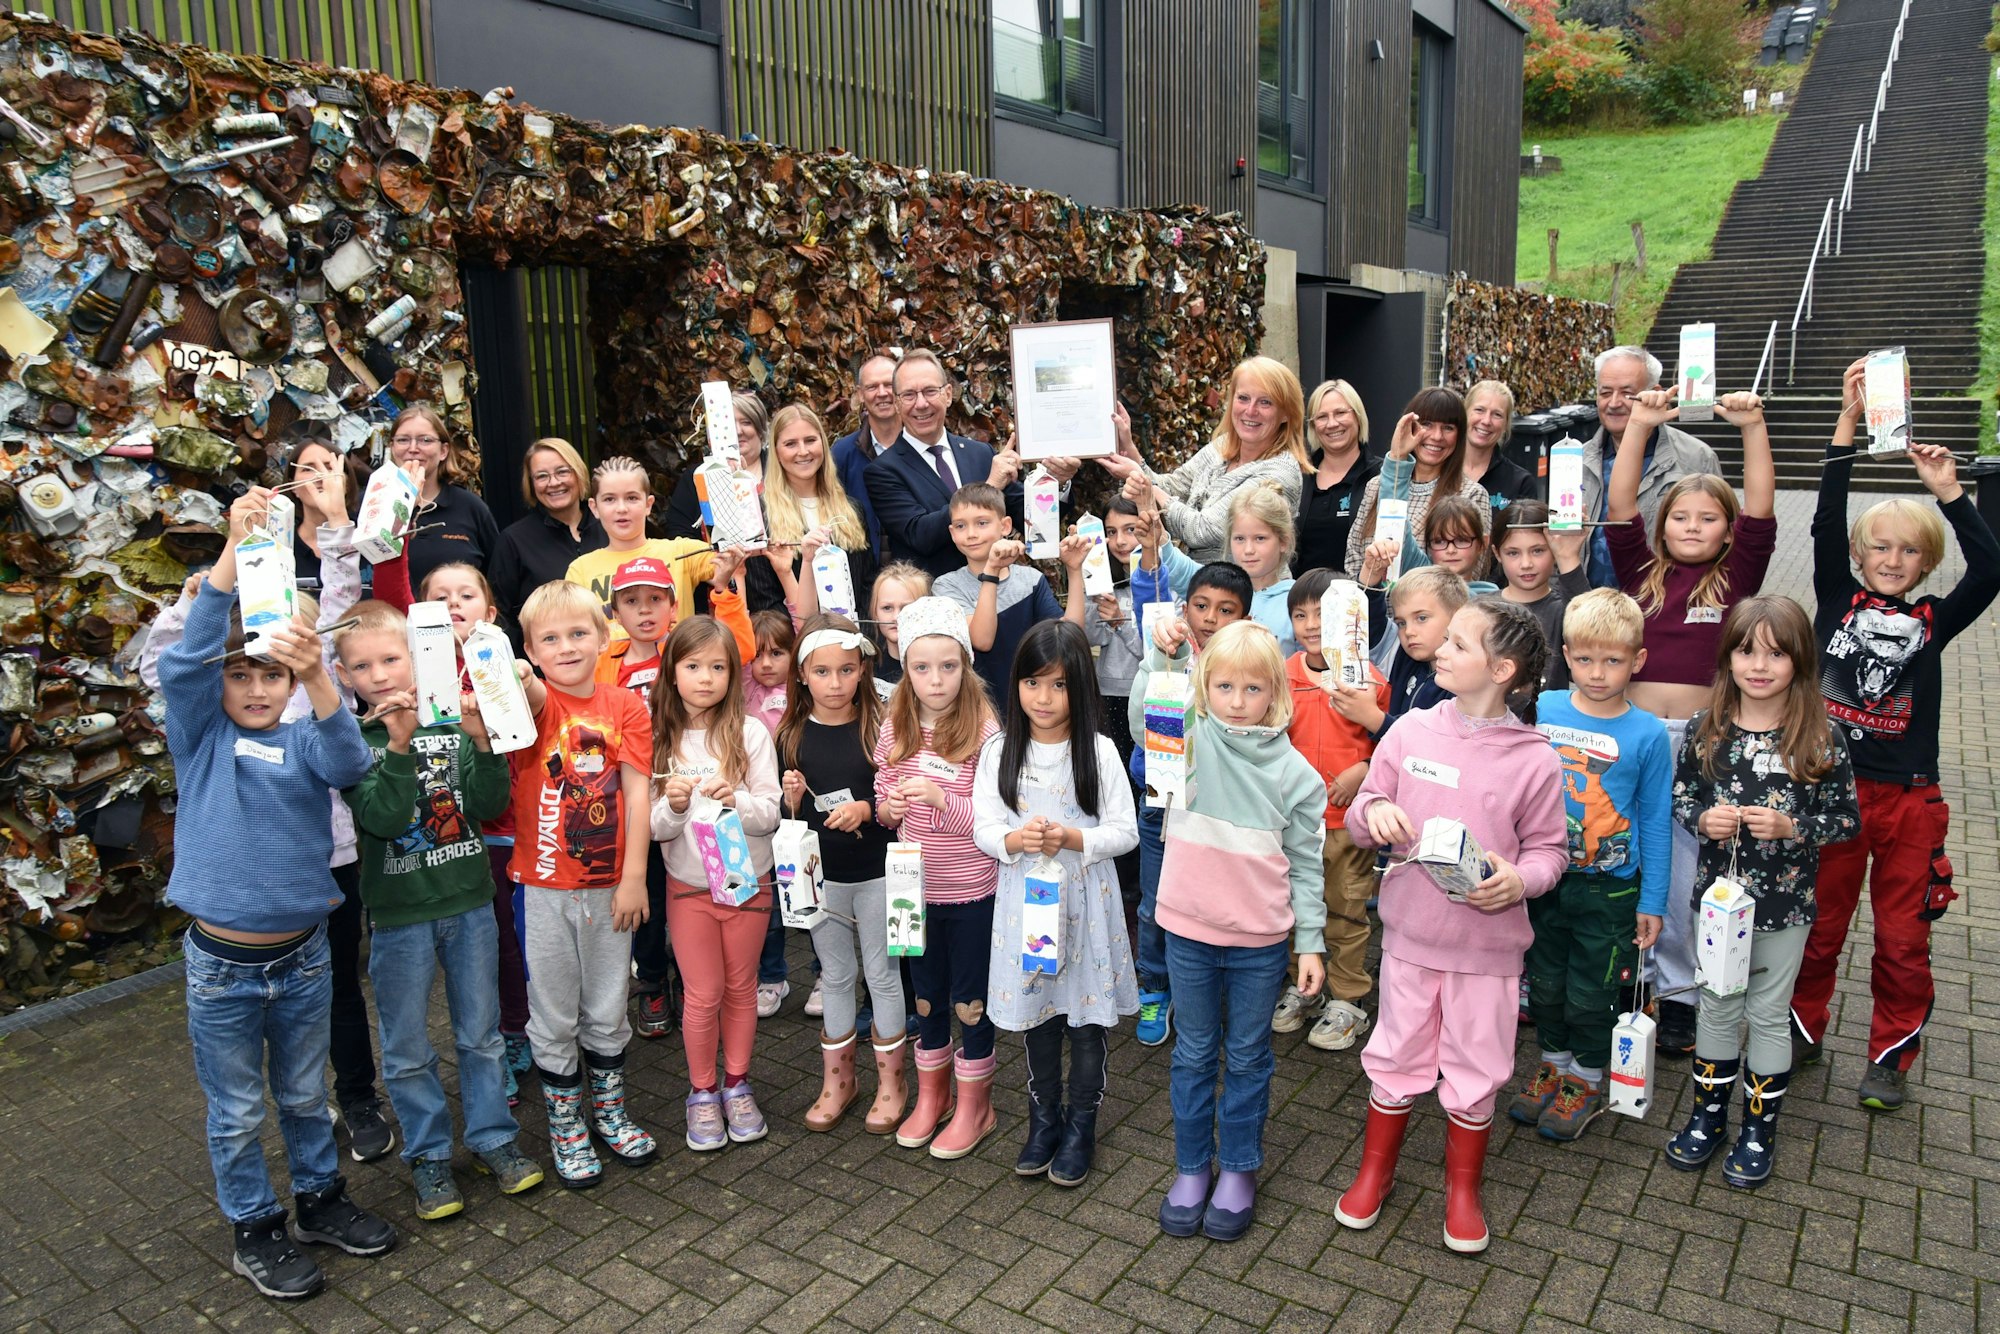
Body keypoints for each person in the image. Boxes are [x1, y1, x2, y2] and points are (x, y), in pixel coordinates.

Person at [159, 489, 394, 1300]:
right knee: (234, 1111)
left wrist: (316, 672)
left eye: (270, 674)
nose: (256, 689)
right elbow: (185, 661)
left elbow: (351, 764)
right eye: (240, 675)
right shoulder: (200, 738)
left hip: (302, 960)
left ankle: (320, 1201)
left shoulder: (303, 738)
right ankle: (254, 1228)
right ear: (219, 685)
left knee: (301, 1094)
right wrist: (233, 550)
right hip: (222, 967)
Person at [1791, 359, 2000, 1112]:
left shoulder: (1934, 622)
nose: (1892, 559)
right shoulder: (1835, 599)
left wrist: (1948, 491)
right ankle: (1801, 1029)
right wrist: (1846, 425)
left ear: (1926, 562)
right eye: (1879, 547)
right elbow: (1824, 518)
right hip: (1832, 794)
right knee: (1820, 927)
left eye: (1908, 550)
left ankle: (1889, 1056)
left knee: (1904, 939)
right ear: (1858, 555)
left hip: (1910, 803)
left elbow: (1992, 567)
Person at [1337, 597, 1567, 1254]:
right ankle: (1375, 1172)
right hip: (1411, 941)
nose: (1440, 649)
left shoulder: (1535, 758)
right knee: (1395, 1056)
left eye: (1459, 644)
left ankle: (1462, 1190)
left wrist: (1520, 880)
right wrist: (1373, 814)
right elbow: (1363, 808)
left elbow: (1550, 852)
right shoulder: (1410, 731)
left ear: (1501, 669)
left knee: (1477, 1067)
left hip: (1487, 951)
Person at [333, 603, 544, 1219]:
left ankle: (493, 1140)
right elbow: (382, 818)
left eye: (391, 659)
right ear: (343, 675)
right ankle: (427, 1155)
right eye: (362, 666)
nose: (379, 675)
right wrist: (400, 746)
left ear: (419, 658)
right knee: (406, 1047)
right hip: (398, 916)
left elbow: (487, 801)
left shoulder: (451, 725)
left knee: (481, 1036)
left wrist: (480, 741)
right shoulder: (353, 743)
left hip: (470, 904)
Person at [1606, 386, 1776, 1057]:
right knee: (1622, 853)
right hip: (1637, 738)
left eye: (1709, 519)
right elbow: (1620, 503)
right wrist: (1640, 424)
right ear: (1663, 525)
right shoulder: (1640, 572)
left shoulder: (1737, 578)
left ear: (1728, 531)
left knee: (1683, 870)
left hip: (1703, 743)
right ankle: (1628, 979)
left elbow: (1761, 506)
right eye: (1681, 517)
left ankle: (1678, 993)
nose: (1694, 527)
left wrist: (1753, 427)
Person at [1668, 598, 1858, 1187]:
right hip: (1716, 906)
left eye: (1776, 654)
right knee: (1718, 1006)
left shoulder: (1821, 737)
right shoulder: (1706, 729)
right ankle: (1707, 1119)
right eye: (1747, 651)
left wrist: (1792, 826)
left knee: (1769, 1014)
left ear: (1799, 661)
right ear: (1728, 657)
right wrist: (1703, 820)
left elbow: (1846, 820)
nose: (1759, 665)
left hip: (1783, 908)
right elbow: (1681, 797)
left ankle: (1758, 1129)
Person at [1152, 620, 1326, 1242]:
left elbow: (1307, 863)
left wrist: (1311, 941)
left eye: (1253, 688)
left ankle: (1239, 1169)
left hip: (1259, 943)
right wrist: (1162, 653)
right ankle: (1192, 1166)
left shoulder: (1297, 774)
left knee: (1249, 1056)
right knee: (1194, 1053)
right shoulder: (1188, 738)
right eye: (1223, 686)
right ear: (1205, 686)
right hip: (1188, 933)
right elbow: (1150, 702)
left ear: (1275, 692)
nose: (1236, 700)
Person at [974, 621, 1139, 1188]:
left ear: (1081, 688)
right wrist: (1014, 840)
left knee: (1086, 1023)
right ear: (1016, 685)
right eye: (1033, 683)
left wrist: (1073, 838)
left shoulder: (1099, 751)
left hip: (1087, 906)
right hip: (1028, 907)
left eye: (1059, 685)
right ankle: (1044, 1119)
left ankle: (1081, 1125)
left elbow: (1125, 831)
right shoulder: (999, 750)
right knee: (1039, 1015)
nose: (1044, 698)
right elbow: (984, 826)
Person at [1508, 589, 1673, 1142]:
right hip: (1544, 881)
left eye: (1613, 660)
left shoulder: (1648, 733)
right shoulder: (1542, 709)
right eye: (1584, 659)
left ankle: (1587, 1077)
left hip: (1611, 890)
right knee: (1545, 984)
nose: (1597, 673)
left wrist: (1653, 901)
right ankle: (1552, 1065)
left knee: (1593, 990)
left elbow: (1656, 821)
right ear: (1565, 655)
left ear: (1638, 660)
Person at [509, 580, 657, 1188]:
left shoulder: (626, 707)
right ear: (530, 650)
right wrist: (516, 675)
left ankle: (610, 1113)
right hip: (543, 891)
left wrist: (635, 878)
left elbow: (639, 795)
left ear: (603, 637)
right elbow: (529, 696)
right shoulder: (530, 704)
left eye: (578, 633)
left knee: (606, 1003)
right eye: (549, 638)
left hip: (609, 890)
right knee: (552, 1013)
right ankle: (566, 1127)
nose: (566, 646)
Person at [595, 552, 754, 1043]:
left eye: (655, 600)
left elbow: (740, 647)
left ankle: (691, 979)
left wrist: (723, 590)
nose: (645, 610)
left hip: (689, 804)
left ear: (673, 606)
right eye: (631, 602)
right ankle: (652, 980)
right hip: (636, 796)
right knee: (647, 897)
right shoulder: (606, 662)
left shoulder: (684, 648)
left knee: (687, 892)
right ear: (614, 612)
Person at [871, 597, 1002, 1157]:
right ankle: (933, 1096)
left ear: (966, 664)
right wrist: (891, 809)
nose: (936, 679)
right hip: (912, 890)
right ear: (905, 668)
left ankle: (976, 1106)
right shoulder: (894, 725)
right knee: (926, 997)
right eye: (922, 667)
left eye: (949, 666)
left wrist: (942, 799)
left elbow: (995, 820)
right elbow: (882, 799)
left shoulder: (985, 730)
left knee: (970, 999)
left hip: (970, 890)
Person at [649, 616, 786, 1151]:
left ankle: (737, 1084)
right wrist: (675, 808)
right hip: (688, 889)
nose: (705, 677)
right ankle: (702, 1091)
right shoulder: (659, 737)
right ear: (671, 671)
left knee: (741, 987)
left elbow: (770, 813)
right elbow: (654, 828)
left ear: (733, 674)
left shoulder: (750, 733)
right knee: (703, 994)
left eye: (718, 667)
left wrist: (737, 800)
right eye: (692, 666)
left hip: (747, 885)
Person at [777, 615, 905, 1133]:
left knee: (883, 974)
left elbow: (897, 795)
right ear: (802, 674)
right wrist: (788, 800)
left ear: (863, 669)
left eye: (846, 670)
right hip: (820, 879)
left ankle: (893, 1084)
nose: (835, 683)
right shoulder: (790, 735)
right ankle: (839, 1082)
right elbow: (788, 820)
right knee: (834, 975)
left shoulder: (882, 728)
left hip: (878, 873)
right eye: (822, 672)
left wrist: (868, 810)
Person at [1126, 545, 1255, 1048]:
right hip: (1163, 801)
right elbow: (1139, 728)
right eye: (1201, 605)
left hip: (1222, 807)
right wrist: (1162, 662)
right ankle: (1155, 986)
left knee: (1213, 900)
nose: (1210, 618)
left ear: (1245, 618)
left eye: (1226, 610)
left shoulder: (1252, 665)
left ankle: (1203, 989)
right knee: (1155, 900)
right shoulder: (1167, 651)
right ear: (1185, 607)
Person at [416, 562, 534, 1105]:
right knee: (477, 951)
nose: (453, 604)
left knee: (513, 944)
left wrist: (517, 679)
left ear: (489, 613)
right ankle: (492, 1045)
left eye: (465, 595)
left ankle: (519, 1030)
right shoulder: (416, 675)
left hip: (511, 831)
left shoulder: (501, 664)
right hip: (456, 840)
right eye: (440, 597)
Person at [1270, 569, 1389, 1053]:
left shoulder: (1369, 679)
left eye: (1323, 614)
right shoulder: (1282, 676)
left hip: (1346, 824)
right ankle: (1305, 985)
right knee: (1294, 908)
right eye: (1301, 615)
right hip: (1293, 823)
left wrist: (1364, 768)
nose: (1312, 625)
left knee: (1345, 910)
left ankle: (1348, 999)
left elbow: (1394, 744)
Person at [865, 350, 1070, 577]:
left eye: (930, 391)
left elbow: (1029, 518)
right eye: (909, 395)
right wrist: (989, 488)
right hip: (933, 594)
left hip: (996, 587)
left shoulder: (980, 453)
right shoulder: (883, 470)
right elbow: (920, 535)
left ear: (948, 394)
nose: (921, 404)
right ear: (896, 403)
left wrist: (1058, 483)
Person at [1101, 357, 1311, 563]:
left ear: (1286, 414)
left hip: (1246, 584)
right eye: (1243, 398)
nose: (1250, 410)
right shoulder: (1222, 446)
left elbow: (1203, 530)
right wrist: (1130, 449)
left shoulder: (1280, 473)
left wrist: (1145, 485)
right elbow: (1173, 487)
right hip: (1199, 580)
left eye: (1265, 402)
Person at [931, 482, 1087, 697]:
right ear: (951, 532)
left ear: (1005, 526)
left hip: (1029, 701)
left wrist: (1074, 569)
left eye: (982, 523)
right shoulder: (946, 586)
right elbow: (982, 641)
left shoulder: (1031, 580)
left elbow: (1069, 639)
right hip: (978, 704)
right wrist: (992, 571)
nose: (971, 534)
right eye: (960, 526)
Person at [1582, 346, 1721, 587]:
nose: (1613, 403)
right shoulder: (1577, 459)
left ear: (1656, 393)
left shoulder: (1696, 458)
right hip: (1587, 601)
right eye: (1605, 393)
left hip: (1666, 600)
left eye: (1627, 393)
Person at [1345, 389, 1490, 581]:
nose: (1437, 436)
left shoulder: (1471, 494)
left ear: (1460, 435)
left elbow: (1469, 575)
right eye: (1427, 424)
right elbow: (1353, 559)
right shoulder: (1377, 486)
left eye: (1448, 428)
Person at [566, 457, 717, 630]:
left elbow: (732, 565)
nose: (621, 508)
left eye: (631, 498)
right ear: (594, 508)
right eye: (609, 499)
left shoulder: (682, 552)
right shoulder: (580, 570)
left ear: (648, 504)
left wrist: (734, 483)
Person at [765, 403, 882, 621]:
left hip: (855, 636)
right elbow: (765, 601)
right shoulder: (764, 518)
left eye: (810, 440)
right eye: (790, 444)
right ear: (777, 452)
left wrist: (860, 635)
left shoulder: (852, 510)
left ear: (823, 443)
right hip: (795, 637)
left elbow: (867, 587)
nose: (803, 451)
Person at [489, 438, 606, 623]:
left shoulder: (609, 527)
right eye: (542, 476)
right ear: (531, 484)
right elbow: (499, 615)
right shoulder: (514, 541)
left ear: (579, 473)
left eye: (562, 472)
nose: (554, 482)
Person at [389, 404, 499, 592]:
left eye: (425, 440)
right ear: (392, 447)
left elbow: (496, 579)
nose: (413, 448)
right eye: (403, 440)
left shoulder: (471, 508)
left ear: (443, 451)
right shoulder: (371, 505)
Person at [1495, 499, 1590, 692]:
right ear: (1497, 554)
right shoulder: (1481, 609)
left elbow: (1595, 635)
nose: (1526, 564)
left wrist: (1568, 556)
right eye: (1513, 553)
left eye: (1537, 551)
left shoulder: (1565, 609)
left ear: (1553, 549)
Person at [1293, 379, 1379, 575]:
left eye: (1340, 413)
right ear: (1313, 426)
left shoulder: (1380, 476)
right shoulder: (1299, 476)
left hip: (1358, 592)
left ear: (1358, 416)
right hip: (1301, 592)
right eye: (1322, 417)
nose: (1332, 424)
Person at [832, 349, 904, 552]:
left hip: (917, 565)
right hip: (864, 562)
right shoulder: (842, 454)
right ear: (860, 394)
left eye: (889, 385)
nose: (882, 393)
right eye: (872, 387)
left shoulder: (922, 446)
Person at [282, 439, 372, 589]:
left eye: (330, 468)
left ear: (347, 483)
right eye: (308, 469)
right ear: (293, 487)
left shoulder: (371, 535)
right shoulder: (281, 547)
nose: (320, 476)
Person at [1224, 484, 1298, 654]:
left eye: (1260, 538)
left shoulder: (1298, 600)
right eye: (1240, 538)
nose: (1248, 550)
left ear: (1283, 541)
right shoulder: (1217, 592)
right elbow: (1183, 570)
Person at [1462, 380, 1537, 517]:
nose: (1486, 421)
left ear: (1505, 425)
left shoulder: (1521, 483)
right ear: (1464, 413)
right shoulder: (1440, 469)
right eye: (1479, 410)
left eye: (1497, 414)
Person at [867, 562, 930, 697]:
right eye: (887, 608)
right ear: (875, 613)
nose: (896, 617)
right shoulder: (866, 668)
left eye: (906, 608)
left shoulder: (938, 669)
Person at [1415, 495, 1498, 594]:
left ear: (1482, 543)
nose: (1450, 550)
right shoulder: (1418, 592)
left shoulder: (1491, 598)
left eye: (1461, 540)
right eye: (1439, 541)